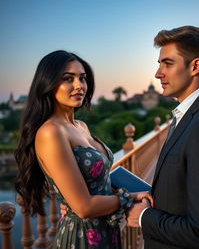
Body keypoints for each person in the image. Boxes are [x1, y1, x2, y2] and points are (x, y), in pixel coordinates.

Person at [14, 50, 153, 249]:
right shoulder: (50, 132)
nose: (79, 85)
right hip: (82, 237)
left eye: (82, 78)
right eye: (68, 78)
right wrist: (129, 197)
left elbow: (93, 179)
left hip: (107, 229)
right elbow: (83, 207)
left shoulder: (80, 126)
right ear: (48, 84)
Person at [126, 26, 199, 249]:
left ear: (195, 66)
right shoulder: (192, 114)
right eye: (159, 64)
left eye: (167, 64)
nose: (158, 73)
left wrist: (144, 217)